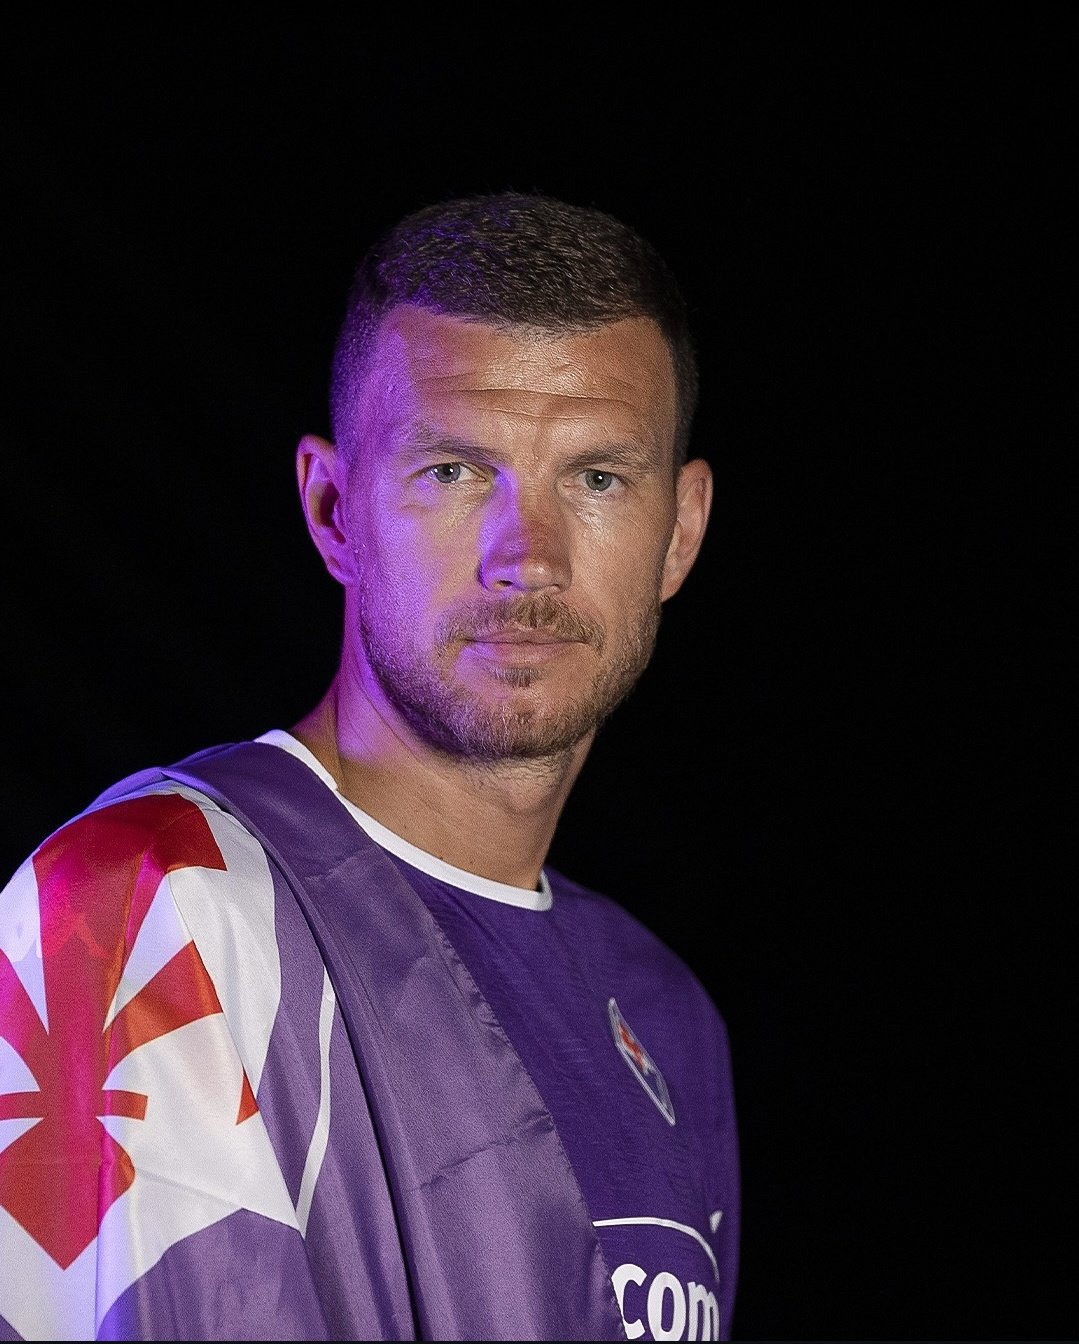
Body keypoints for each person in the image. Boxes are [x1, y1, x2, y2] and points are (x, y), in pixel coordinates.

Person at [0, 191, 739, 1342]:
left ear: (679, 532)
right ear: (333, 508)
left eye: (595, 478)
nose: (526, 558)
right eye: (453, 472)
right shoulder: (155, 904)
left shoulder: (665, 1015)